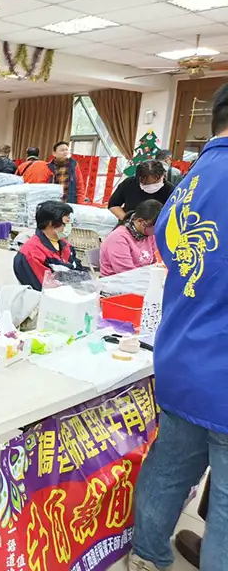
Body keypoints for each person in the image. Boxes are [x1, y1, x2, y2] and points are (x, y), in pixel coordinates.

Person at [129, 82, 228, 571]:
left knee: (168, 468)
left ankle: (145, 557)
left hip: (180, 356)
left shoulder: (188, 182)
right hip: (223, 367)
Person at [13, 200, 82, 291]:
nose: (69, 226)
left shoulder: (66, 246)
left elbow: (80, 272)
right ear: (51, 223)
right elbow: (45, 288)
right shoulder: (32, 254)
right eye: (66, 222)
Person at [99, 199, 161, 277]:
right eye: (154, 227)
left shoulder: (149, 235)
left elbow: (156, 262)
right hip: (117, 283)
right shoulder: (118, 238)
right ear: (140, 222)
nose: (156, 231)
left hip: (141, 281)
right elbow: (127, 273)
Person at [108, 160, 173, 222]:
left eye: (155, 182)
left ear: (163, 175)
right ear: (138, 177)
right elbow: (113, 205)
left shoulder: (170, 190)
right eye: (146, 183)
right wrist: (127, 220)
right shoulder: (129, 183)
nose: (151, 186)